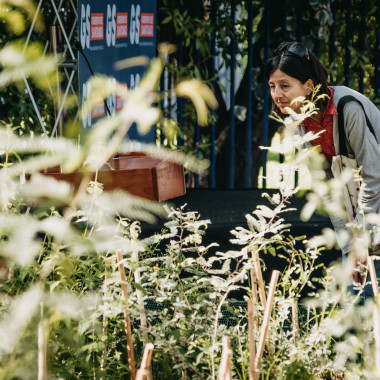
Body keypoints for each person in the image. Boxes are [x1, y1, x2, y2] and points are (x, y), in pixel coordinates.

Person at [265, 41, 380, 298]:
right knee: (356, 290)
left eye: (285, 85)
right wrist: (349, 246)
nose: (277, 94)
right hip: (359, 207)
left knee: (370, 294)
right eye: (272, 86)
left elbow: (374, 175)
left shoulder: (347, 108)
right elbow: (328, 190)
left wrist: (363, 239)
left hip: (375, 200)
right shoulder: (299, 124)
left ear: (308, 85)